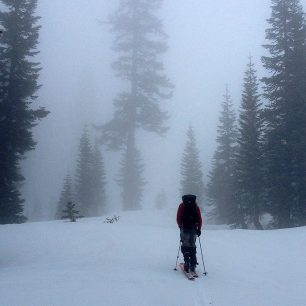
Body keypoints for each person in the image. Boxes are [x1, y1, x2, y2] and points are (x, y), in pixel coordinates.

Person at [176, 194, 202, 274]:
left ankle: (187, 262)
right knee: (192, 245)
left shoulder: (182, 205)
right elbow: (199, 219)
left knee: (185, 244)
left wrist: (180, 226)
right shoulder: (195, 206)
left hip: (184, 228)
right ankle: (193, 264)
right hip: (193, 228)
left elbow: (178, 217)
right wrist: (199, 229)